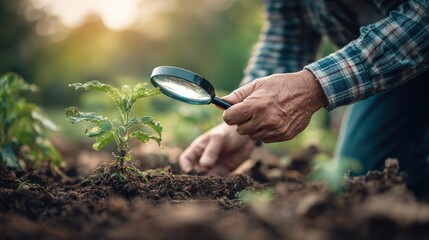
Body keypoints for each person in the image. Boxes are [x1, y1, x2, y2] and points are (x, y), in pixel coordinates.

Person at [179, 1, 429, 197]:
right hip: (394, 68)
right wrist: (240, 124)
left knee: (375, 184)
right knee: (364, 178)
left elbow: (423, 16)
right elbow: (288, 32)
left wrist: (314, 85)